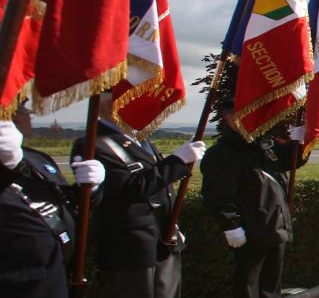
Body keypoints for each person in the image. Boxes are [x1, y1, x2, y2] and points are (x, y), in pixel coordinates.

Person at [72, 91, 203, 298]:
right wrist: (176, 162)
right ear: (110, 106)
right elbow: (128, 190)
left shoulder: (139, 140)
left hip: (163, 239)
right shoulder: (94, 143)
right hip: (131, 248)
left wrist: (172, 225)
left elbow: (158, 189)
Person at [200, 121, 306, 298]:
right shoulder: (223, 153)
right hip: (250, 228)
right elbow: (218, 192)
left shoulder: (261, 146)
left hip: (274, 224)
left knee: (270, 286)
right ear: (229, 117)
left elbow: (288, 162)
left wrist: (298, 143)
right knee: (248, 285)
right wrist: (230, 224)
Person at [2, 119, 99, 298]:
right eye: (18, 107)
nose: (28, 114)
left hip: (58, 276)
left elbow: (64, 203)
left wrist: (88, 190)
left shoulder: (37, 158)